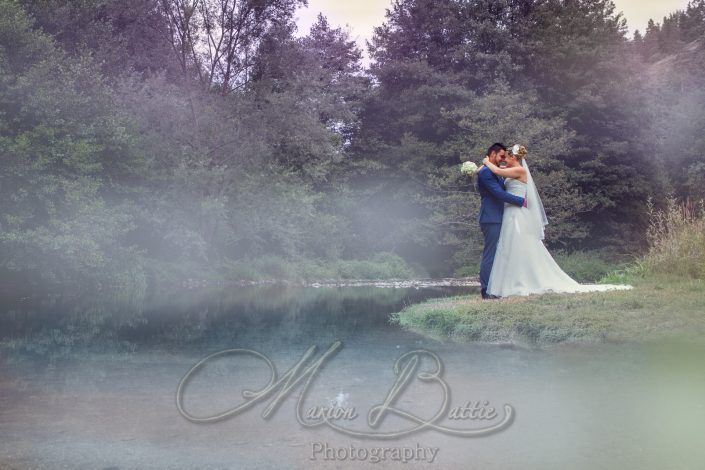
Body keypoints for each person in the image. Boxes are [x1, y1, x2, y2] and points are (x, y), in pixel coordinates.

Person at [481, 144, 632, 297]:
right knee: (509, 247)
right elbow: (497, 179)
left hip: (517, 213)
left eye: (506, 157)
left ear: (513, 157)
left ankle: (522, 280)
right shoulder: (509, 172)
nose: (504, 160)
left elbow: (497, 171)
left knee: (519, 244)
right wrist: (481, 169)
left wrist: (486, 163)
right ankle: (508, 282)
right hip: (509, 212)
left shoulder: (519, 170)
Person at [476, 143, 526, 299]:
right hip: (491, 218)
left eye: (506, 156)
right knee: (490, 254)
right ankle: (486, 290)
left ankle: (496, 287)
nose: (504, 159)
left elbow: (500, 173)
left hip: (500, 216)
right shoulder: (486, 172)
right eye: (501, 156)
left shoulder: (493, 170)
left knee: (499, 253)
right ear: (492, 154)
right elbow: (498, 193)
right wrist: (520, 201)